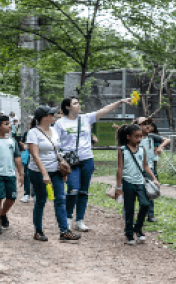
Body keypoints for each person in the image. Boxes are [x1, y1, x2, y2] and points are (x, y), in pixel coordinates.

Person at [55, 96, 131, 231]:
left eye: (78, 102)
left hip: (87, 160)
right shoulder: (60, 123)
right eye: (75, 103)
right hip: (70, 161)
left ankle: (79, 220)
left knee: (83, 191)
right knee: (73, 189)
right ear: (67, 107)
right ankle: (67, 219)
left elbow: (105, 110)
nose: (79, 105)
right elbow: (55, 143)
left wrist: (120, 102)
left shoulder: (86, 118)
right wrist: (59, 158)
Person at [27, 106, 81, 242]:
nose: (55, 115)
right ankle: (38, 231)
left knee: (60, 200)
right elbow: (35, 155)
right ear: (44, 117)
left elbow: (57, 151)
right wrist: (44, 174)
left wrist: (63, 167)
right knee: (41, 200)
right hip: (38, 172)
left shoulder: (54, 131)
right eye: (52, 113)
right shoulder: (33, 132)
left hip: (55, 170)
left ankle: (64, 231)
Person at [114, 124, 160, 245]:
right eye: (136, 137)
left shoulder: (142, 149)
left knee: (145, 204)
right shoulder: (122, 150)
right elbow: (120, 169)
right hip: (127, 183)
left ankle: (138, 228)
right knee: (129, 209)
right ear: (128, 137)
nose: (139, 139)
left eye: (141, 137)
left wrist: (154, 178)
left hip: (140, 182)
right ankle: (129, 233)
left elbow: (145, 166)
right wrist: (118, 187)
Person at [134, 117, 170, 223]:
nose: (147, 125)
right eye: (144, 124)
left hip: (149, 168)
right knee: (134, 191)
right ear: (137, 126)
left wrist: (160, 147)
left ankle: (150, 214)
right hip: (135, 169)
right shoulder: (133, 138)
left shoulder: (152, 137)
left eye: (148, 123)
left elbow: (167, 140)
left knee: (151, 190)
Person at [19, 121, 35, 203]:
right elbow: (22, 142)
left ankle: (35, 194)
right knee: (27, 175)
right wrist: (25, 146)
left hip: (40, 156)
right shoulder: (27, 133)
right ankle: (27, 194)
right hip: (28, 156)